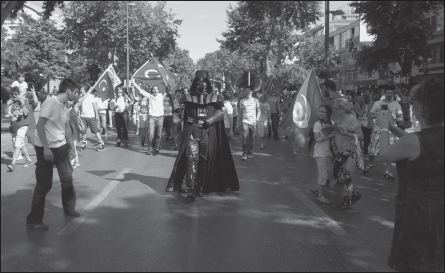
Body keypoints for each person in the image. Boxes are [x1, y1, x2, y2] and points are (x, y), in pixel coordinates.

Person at [375, 77, 444, 272]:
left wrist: (383, 128)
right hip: (439, 208)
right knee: (434, 262)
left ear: (422, 108)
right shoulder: (433, 135)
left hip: (416, 213)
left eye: (414, 102)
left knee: (410, 264)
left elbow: (384, 154)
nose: (412, 106)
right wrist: (392, 127)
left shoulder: (415, 141)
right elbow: (417, 142)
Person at [165, 70, 239, 199]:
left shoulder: (215, 97)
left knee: (204, 160)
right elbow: (177, 110)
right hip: (192, 129)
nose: (201, 84)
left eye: (203, 81)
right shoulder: (187, 97)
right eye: (198, 81)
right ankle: (192, 188)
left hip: (207, 130)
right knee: (192, 159)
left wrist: (211, 120)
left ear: (207, 82)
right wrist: (171, 95)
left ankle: (201, 187)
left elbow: (221, 113)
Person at [26, 79, 80, 230]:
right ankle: (34, 220)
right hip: (45, 149)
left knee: (67, 178)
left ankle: (69, 208)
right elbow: (40, 125)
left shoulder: (66, 106)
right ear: (68, 91)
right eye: (75, 92)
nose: (77, 95)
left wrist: (71, 148)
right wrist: (46, 148)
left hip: (61, 147)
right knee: (44, 184)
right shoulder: (50, 102)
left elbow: (67, 128)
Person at [363, 87, 403, 179]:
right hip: (378, 129)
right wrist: (378, 114)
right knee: (372, 150)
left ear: (393, 94)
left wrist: (393, 118)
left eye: (391, 93)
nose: (389, 94)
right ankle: (370, 164)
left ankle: (387, 171)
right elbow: (370, 116)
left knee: (390, 150)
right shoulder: (377, 104)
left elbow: (400, 119)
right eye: (387, 92)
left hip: (391, 130)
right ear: (385, 93)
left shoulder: (396, 105)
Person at [331, 98, 364, 210]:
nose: (334, 111)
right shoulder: (339, 117)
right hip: (340, 151)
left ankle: (348, 198)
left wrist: (345, 133)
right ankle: (353, 194)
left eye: (336, 109)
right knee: (336, 174)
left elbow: (361, 136)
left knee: (346, 176)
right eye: (334, 108)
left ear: (344, 109)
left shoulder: (351, 119)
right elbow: (338, 131)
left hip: (349, 151)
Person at [310, 104, 335, 204]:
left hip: (328, 152)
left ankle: (315, 188)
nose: (320, 113)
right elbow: (317, 139)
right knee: (323, 175)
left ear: (328, 113)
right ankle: (320, 196)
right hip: (320, 153)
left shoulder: (331, 123)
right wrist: (329, 136)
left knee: (330, 173)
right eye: (319, 111)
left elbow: (333, 139)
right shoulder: (317, 124)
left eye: (322, 111)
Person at [132, 83, 166, 155]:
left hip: (160, 117)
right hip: (152, 117)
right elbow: (141, 90)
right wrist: (134, 84)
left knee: (159, 134)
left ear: (158, 90)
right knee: (151, 133)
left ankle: (156, 147)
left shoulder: (161, 95)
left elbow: (167, 87)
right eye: (154, 89)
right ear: (152, 90)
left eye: (156, 89)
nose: (155, 90)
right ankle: (149, 148)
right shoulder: (149, 96)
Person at [7, 87, 34, 171]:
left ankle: (13, 163)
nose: (14, 96)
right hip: (15, 125)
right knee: (20, 143)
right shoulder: (12, 101)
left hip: (23, 125)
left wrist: (21, 103)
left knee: (17, 144)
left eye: (16, 94)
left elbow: (26, 113)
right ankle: (29, 160)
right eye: (13, 94)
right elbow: (7, 104)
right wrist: (13, 99)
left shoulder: (25, 100)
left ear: (19, 94)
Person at [78, 87, 105, 151]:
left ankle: (101, 142)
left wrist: (97, 115)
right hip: (83, 116)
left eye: (82, 89)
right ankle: (84, 142)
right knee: (83, 131)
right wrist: (79, 116)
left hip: (90, 116)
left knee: (95, 130)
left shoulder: (91, 96)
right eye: (80, 89)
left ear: (85, 90)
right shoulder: (80, 97)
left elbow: (94, 106)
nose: (80, 90)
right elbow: (79, 107)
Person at [238, 87, 260, 160]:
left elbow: (258, 111)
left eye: (248, 90)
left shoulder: (256, 101)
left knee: (251, 138)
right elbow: (240, 112)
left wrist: (256, 120)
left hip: (253, 122)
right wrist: (238, 122)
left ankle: (250, 152)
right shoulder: (242, 101)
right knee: (245, 137)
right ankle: (244, 153)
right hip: (245, 121)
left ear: (251, 91)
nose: (246, 92)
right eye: (245, 90)